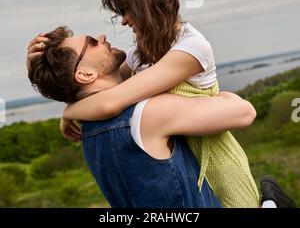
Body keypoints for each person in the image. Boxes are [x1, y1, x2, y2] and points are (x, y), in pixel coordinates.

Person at [59, 0, 260, 208]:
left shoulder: (190, 48)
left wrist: (69, 112)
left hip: (215, 160)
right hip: (178, 159)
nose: (123, 21)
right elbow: (100, 88)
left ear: (147, 6)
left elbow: (111, 101)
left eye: (126, 11)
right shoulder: (140, 53)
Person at [27, 26, 257, 208]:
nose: (102, 36)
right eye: (92, 42)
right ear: (86, 74)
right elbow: (244, 112)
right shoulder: (147, 114)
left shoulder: (88, 129)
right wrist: (218, 94)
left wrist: (60, 96)